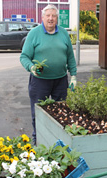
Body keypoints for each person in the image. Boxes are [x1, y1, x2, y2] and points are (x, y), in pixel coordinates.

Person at [20, 4, 77, 145]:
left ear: (57, 18)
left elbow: (70, 56)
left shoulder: (63, 33)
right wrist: (32, 67)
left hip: (60, 81)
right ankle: (38, 141)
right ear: (42, 17)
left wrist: (74, 76)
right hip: (40, 81)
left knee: (61, 112)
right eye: (48, 16)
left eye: (54, 16)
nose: (51, 19)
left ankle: (59, 141)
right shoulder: (34, 33)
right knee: (38, 113)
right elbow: (24, 57)